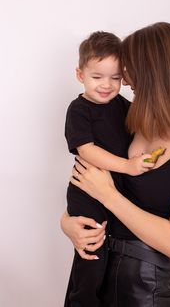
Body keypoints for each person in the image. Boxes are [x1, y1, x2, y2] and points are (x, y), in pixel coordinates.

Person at [61, 22, 170, 307]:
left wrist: (107, 195)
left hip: (147, 292)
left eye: (128, 70)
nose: (123, 81)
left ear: (155, 73)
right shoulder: (133, 120)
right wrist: (67, 223)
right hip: (96, 278)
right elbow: (95, 182)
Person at [64, 31, 155, 307]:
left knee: (110, 259)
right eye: (97, 77)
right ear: (80, 75)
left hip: (112, 194)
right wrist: (128, 166)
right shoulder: (79, 110)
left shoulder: (121, 106)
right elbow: (86, 150)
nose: (107, 85)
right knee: (92, 256)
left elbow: (144, 116)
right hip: (87, 193)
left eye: (116, 78)